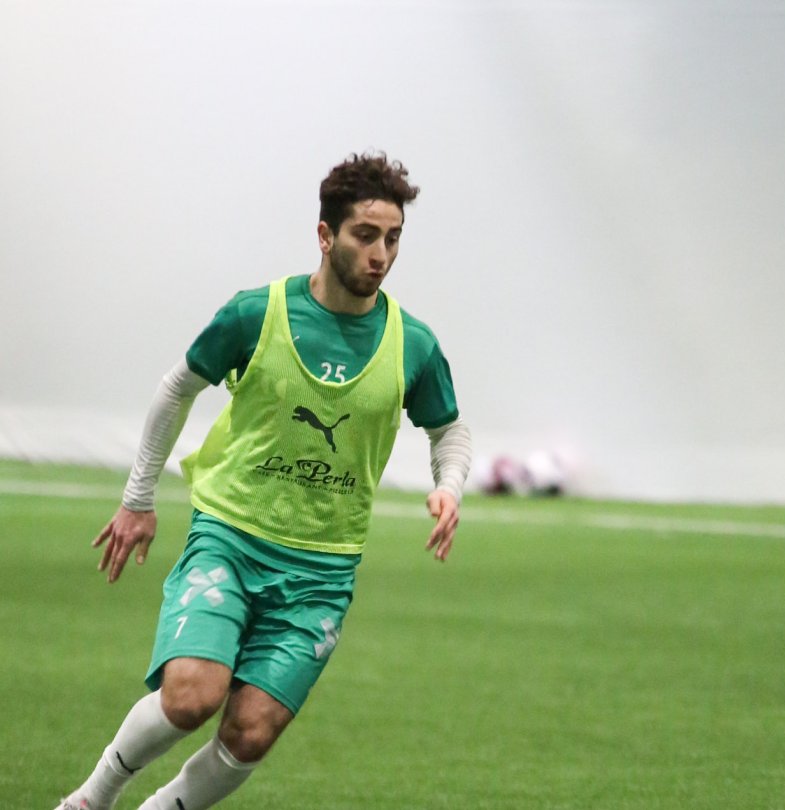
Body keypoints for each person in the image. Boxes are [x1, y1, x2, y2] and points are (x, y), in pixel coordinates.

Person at [55, 152, 472, 810]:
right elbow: (176, 389)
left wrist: (449, 485)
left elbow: (448, 430)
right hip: (231, 537)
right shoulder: (257, 313)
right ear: (325, 234)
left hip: (322, 570)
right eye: (366, 235)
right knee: (191, 696)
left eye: (393, 238)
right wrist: (137, 499)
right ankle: (89, 800)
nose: (381, 255)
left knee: (249, 733)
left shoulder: (412, 343)